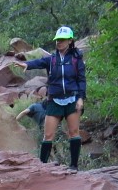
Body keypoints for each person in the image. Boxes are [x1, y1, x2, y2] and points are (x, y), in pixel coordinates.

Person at [22, 26, 87, 168]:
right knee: (48, 135)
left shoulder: (76, 59)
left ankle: (74, 167)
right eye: (57, 40)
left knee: (74, 133)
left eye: (62, 40)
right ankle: (42, 167)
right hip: (54, 100)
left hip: (73, 99)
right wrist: (25, 64)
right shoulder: (51, 59)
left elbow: (81, 80)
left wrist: (81, 98)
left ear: (70, 41)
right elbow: (38, 62)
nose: (59, 42)